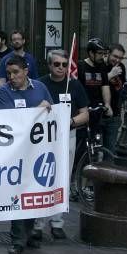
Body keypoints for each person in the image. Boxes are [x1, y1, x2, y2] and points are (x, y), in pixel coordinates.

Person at [0, 55, 53, 254]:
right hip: (16, 151)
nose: (12, 77)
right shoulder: (4, 92)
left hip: (38, 149)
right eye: (9, 73)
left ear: (26, 71)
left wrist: (47, 109)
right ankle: (17, 239)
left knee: (33, 192)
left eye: (16, 72)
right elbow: (11, 120)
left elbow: (52, 112)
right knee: (18, 194)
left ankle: (30, 234)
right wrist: (37, 110)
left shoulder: (39, 87)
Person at [36, 49, 89, 241]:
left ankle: (57, 223)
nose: (61, 68)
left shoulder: (74, 85)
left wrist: (71, 122)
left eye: (64, 65)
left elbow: (85, 113)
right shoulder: (40, 84)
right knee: (41, 176)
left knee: (63, 177)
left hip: (67, 136)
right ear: (49, 65)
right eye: (56, 64)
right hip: (44, 137)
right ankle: (38, 224)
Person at [79, 38, 113, 146]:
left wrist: (107, 104)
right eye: (99, 53)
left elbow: (105, 86)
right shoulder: (80, 66)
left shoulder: (102, 66)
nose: (102, 56)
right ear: (90, 53)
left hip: (97, 110)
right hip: (84, 109)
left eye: (104, 54)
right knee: (83, 141)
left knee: (97, 142)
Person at [104, 43, 127, 153]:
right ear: (108, 54)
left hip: (115, 114)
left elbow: (121, 87)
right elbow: (95, 85)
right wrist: (110, 74)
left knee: (110, 150)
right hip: (100, 114)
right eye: (115, 56)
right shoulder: (101, 66)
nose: (117, 60)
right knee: (95, 149)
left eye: (120, 58)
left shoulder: (121, 67)